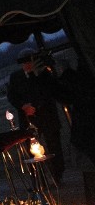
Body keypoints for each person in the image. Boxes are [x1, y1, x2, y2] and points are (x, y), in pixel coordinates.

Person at [7, 48, 65, 184]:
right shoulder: (16, 77)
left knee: (54, 146)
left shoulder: (44, 74)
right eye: (24, 62)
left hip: (47, 116)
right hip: (28, 119)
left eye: (30, 61)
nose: (27, 65)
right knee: (31, 150)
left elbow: (50, 91)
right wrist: (23, 106)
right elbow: (12, 95)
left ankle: (57, 176)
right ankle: (38, 179)